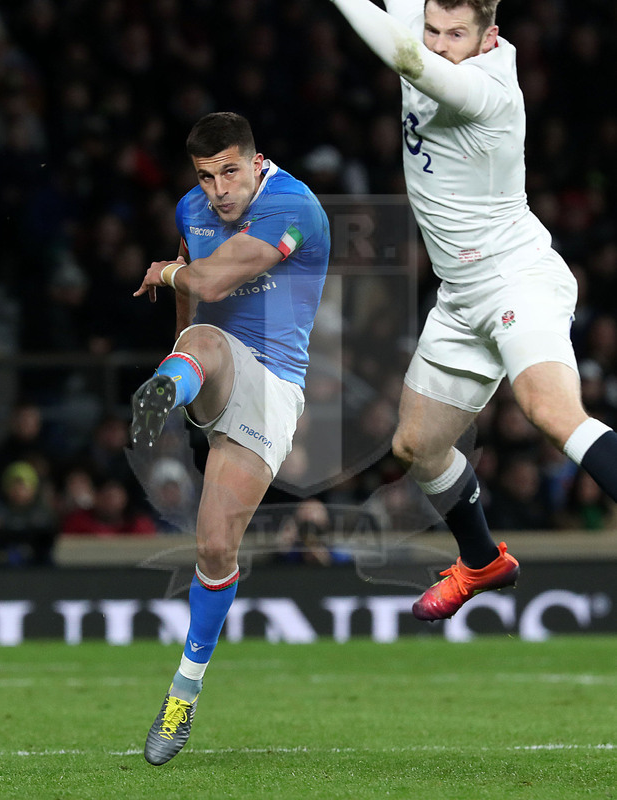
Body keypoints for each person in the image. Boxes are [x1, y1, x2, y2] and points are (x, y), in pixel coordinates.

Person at [329, 0, 617, 620]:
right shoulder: (433, 30)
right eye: (431, 29)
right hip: (460, 296)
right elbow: (408, 27)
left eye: (456, 35)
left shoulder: (484, 89)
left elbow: (403, 56)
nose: (437, 44)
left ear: (490, 36)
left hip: (515, 280)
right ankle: (483, 561)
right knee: (416, 447)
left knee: (549, 410)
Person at [130, 111, 330, 765]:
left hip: (272, 386)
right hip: (207, 367)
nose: (217, 189)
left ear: (256, 160)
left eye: (229, 172)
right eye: (206, 175)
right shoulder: (193, 206)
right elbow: (197, 302)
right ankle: (168, 390)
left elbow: (207, 279)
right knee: (206, 340)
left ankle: (183, 694)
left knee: (216, 547)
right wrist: (178, 350)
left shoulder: (292, 205)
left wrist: (164, 274)